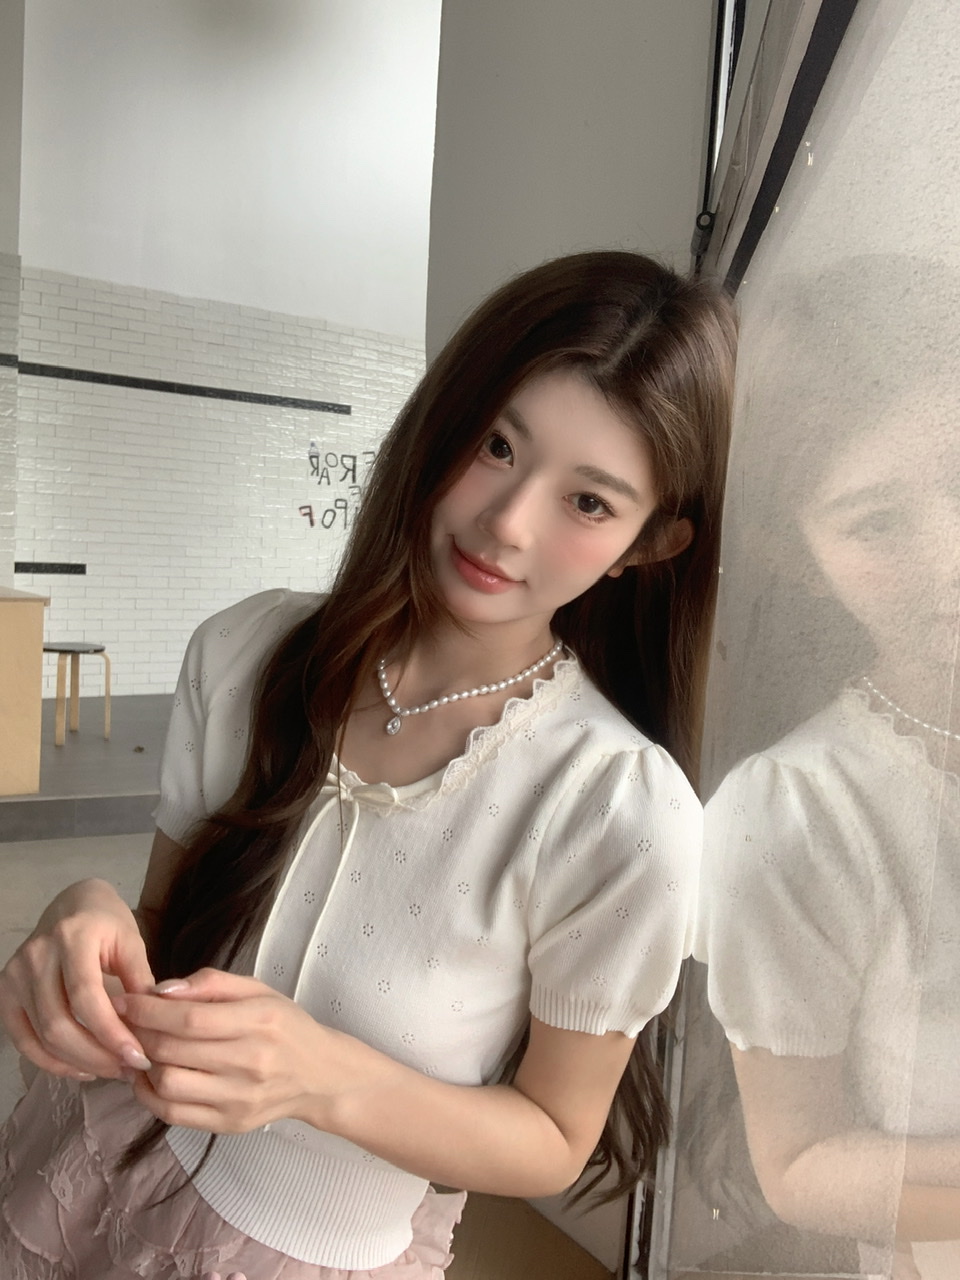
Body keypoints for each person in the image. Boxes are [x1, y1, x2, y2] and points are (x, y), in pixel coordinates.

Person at [0, 251, 737, 1279]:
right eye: (498, 445)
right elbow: (165, 929)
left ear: (649, 545)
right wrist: (83, 912)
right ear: (443, 418)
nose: (507, 522)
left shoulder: (618, 807)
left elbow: (555, 1133)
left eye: (589, 503)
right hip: (82, 1158)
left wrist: (321, 1079)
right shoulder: (246, 650)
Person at [695, 257, 960, 1279]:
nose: (956, 555)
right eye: (878, 521)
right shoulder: (799, 811)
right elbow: (799, 1164)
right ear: (799, 557)